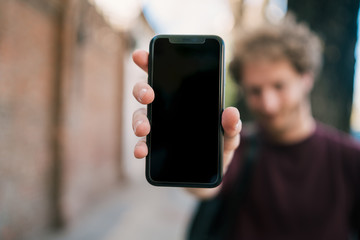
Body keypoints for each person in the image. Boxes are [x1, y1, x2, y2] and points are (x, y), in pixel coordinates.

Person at [131, 17, 360, 239]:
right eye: (255, 90)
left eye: (279, 86)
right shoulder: (239, 146)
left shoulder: (350, 158)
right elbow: (207, 188)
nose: (268, 104)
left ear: (306, 79)